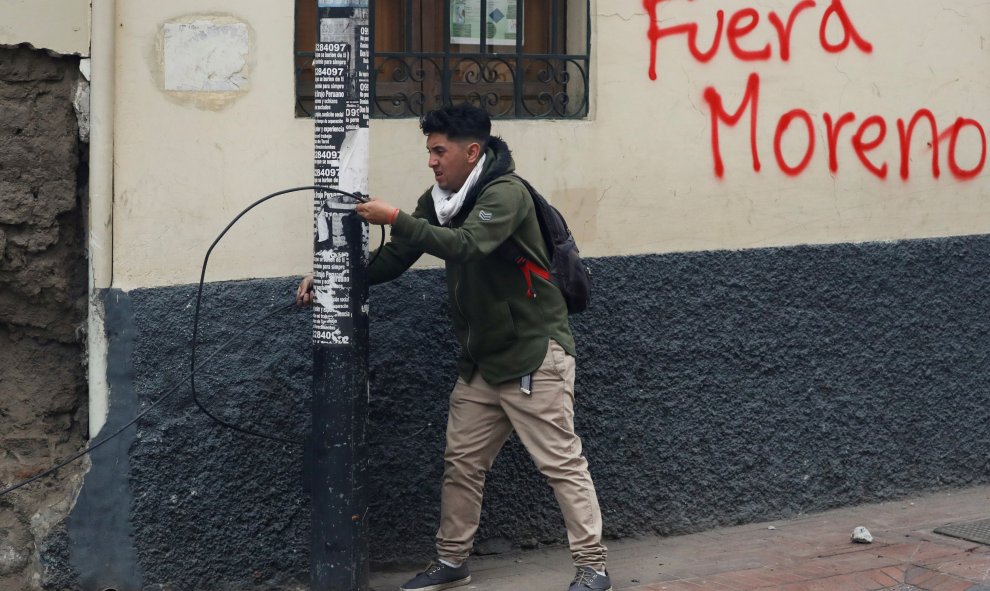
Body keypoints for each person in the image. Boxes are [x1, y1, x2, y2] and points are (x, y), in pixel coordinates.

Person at [297, 103, 610, 591]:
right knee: (462, 464)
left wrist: (396, 216)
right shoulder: (439, 198)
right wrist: (335, 276)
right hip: (482, 362)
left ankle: (593, 567)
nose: (432, 161)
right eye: (428, 151)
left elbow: (466, 244)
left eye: (439, 151)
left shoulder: (505, 193)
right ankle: (451, 561)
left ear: (472, 150)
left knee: (561, 463)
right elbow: (397, 257)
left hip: (532, 354)